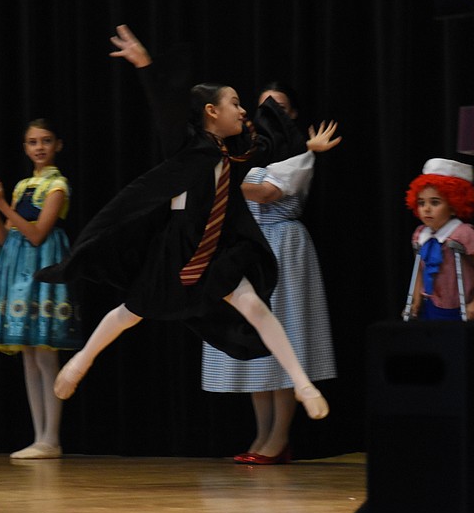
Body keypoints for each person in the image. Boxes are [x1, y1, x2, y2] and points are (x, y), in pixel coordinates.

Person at [36, 25, 341, 423]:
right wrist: (146, 65)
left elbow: (269, 146)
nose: (243, 110)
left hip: (218, 251)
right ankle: (81, 361)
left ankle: (303, 384)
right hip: (176, 250)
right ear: (212, 112)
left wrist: (308, 146)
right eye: (235, 103)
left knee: (254, 306)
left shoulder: (235, 152)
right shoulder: (185, 146)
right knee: (129, 313)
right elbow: (165, 108)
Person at [201, 83, 338, 465]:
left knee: (284, 338)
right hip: (248, 245)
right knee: (253, 344)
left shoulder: (299, 156)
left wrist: (219, 178)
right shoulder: (243, 153)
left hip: (282, 248)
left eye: (279, 106)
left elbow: (265, 193)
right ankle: (261, 434)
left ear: (291, 114)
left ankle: (279, 437)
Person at [0, 118, 80, 459]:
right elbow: (7, 237)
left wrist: (1, 204)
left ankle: (52, 437)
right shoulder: (22, 186)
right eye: (33, 142)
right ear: (25, 147)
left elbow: (37, 234)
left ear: (57, 145)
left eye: (46, 141)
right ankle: (39, 436)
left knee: (46, 353)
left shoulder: (57, 185)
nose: (39, 147)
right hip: (18, 270)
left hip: (43, 267)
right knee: (29, 356)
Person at [404, 158, 474, 321]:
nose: (426, 209)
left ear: (453, 206)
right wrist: (416, 299)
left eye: (435, 202)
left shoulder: (463, 233)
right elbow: (420, 270)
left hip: (460, 308)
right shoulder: (419, 235)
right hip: (429, 305)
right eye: (421, 203)